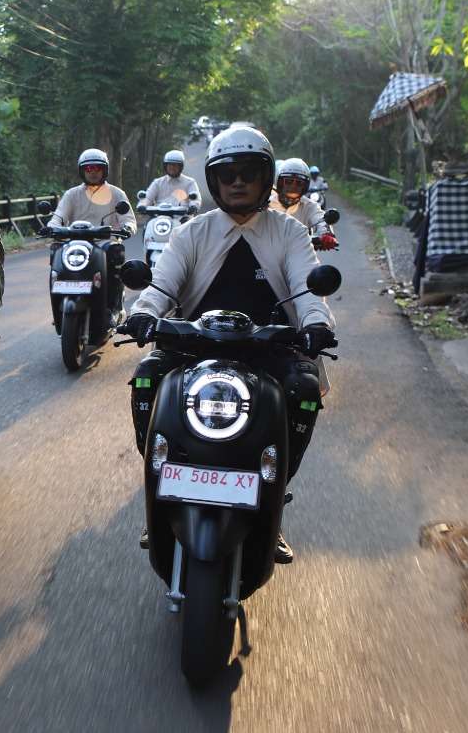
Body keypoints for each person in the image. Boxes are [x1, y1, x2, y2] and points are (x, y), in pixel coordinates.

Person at [121, 126, 337, 563]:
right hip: (193, 342)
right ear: (215, 182)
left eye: (248, 173)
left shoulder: (290, 233)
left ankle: (274, 496)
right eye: (228, 174)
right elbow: (162, 284)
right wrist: (143, 313)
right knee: (146, 378)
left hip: (271, 345)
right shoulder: (192, 232)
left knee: (305, 391)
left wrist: (316, 324)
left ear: (266, 178)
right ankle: (160, 480)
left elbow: (309, 289)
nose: (238, 181)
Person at [47, 148, 136, 333]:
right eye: (88, 169)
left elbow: (128, 219)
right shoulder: (72, 194)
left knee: (115, 252)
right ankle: (58, 308)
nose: (93, 172)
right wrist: (51, 226)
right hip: (75, 243)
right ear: (82, 171)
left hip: (105, 242)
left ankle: (113, 308)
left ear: (104, 170)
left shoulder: (116, 193)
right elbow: (59, 216)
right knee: (55, 249)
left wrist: (127, 228)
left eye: (97, 168)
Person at [271, 157, 337, 251]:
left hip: (301, 254)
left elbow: (320, 219)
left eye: (299, 183)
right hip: (268, 255)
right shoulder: (266, 203)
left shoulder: (310, 206)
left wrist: (325, 235)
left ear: (305, 186)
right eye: (289, 181)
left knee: (325, 267)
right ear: (280, 182)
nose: (293, 186)